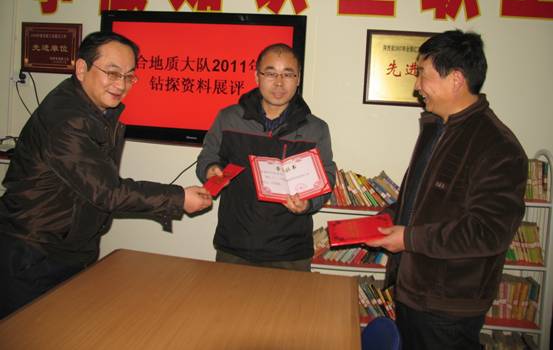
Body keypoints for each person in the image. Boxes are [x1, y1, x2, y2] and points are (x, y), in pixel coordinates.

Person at [0, 31, 212, 318]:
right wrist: (178, 198)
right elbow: (107, 191)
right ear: (81, 68)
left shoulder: (93, 109)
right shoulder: (67, 120)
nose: (121, 84)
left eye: (129, 76)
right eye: (112, 73)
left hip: (65, 246)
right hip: (34, 253)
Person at [365, 29, 528, 350]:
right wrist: (385, 219)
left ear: (455, 79)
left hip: (448, 305)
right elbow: (418, 201)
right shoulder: (436, 128)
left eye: (422, 74)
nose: (416, 86)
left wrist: (408, 238)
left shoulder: (498, 146)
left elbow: (487, 232)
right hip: (412, 290)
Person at [196, 43, 336, 272]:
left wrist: (308, 203)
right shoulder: (229, 118)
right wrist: (211, 170)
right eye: (270, 73)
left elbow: (326, 177)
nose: (279, 83)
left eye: (288, 74)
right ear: (257, 76)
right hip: (234, 246)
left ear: (298, 79)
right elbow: (207, 156)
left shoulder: (316, 129)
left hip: (290, 252)